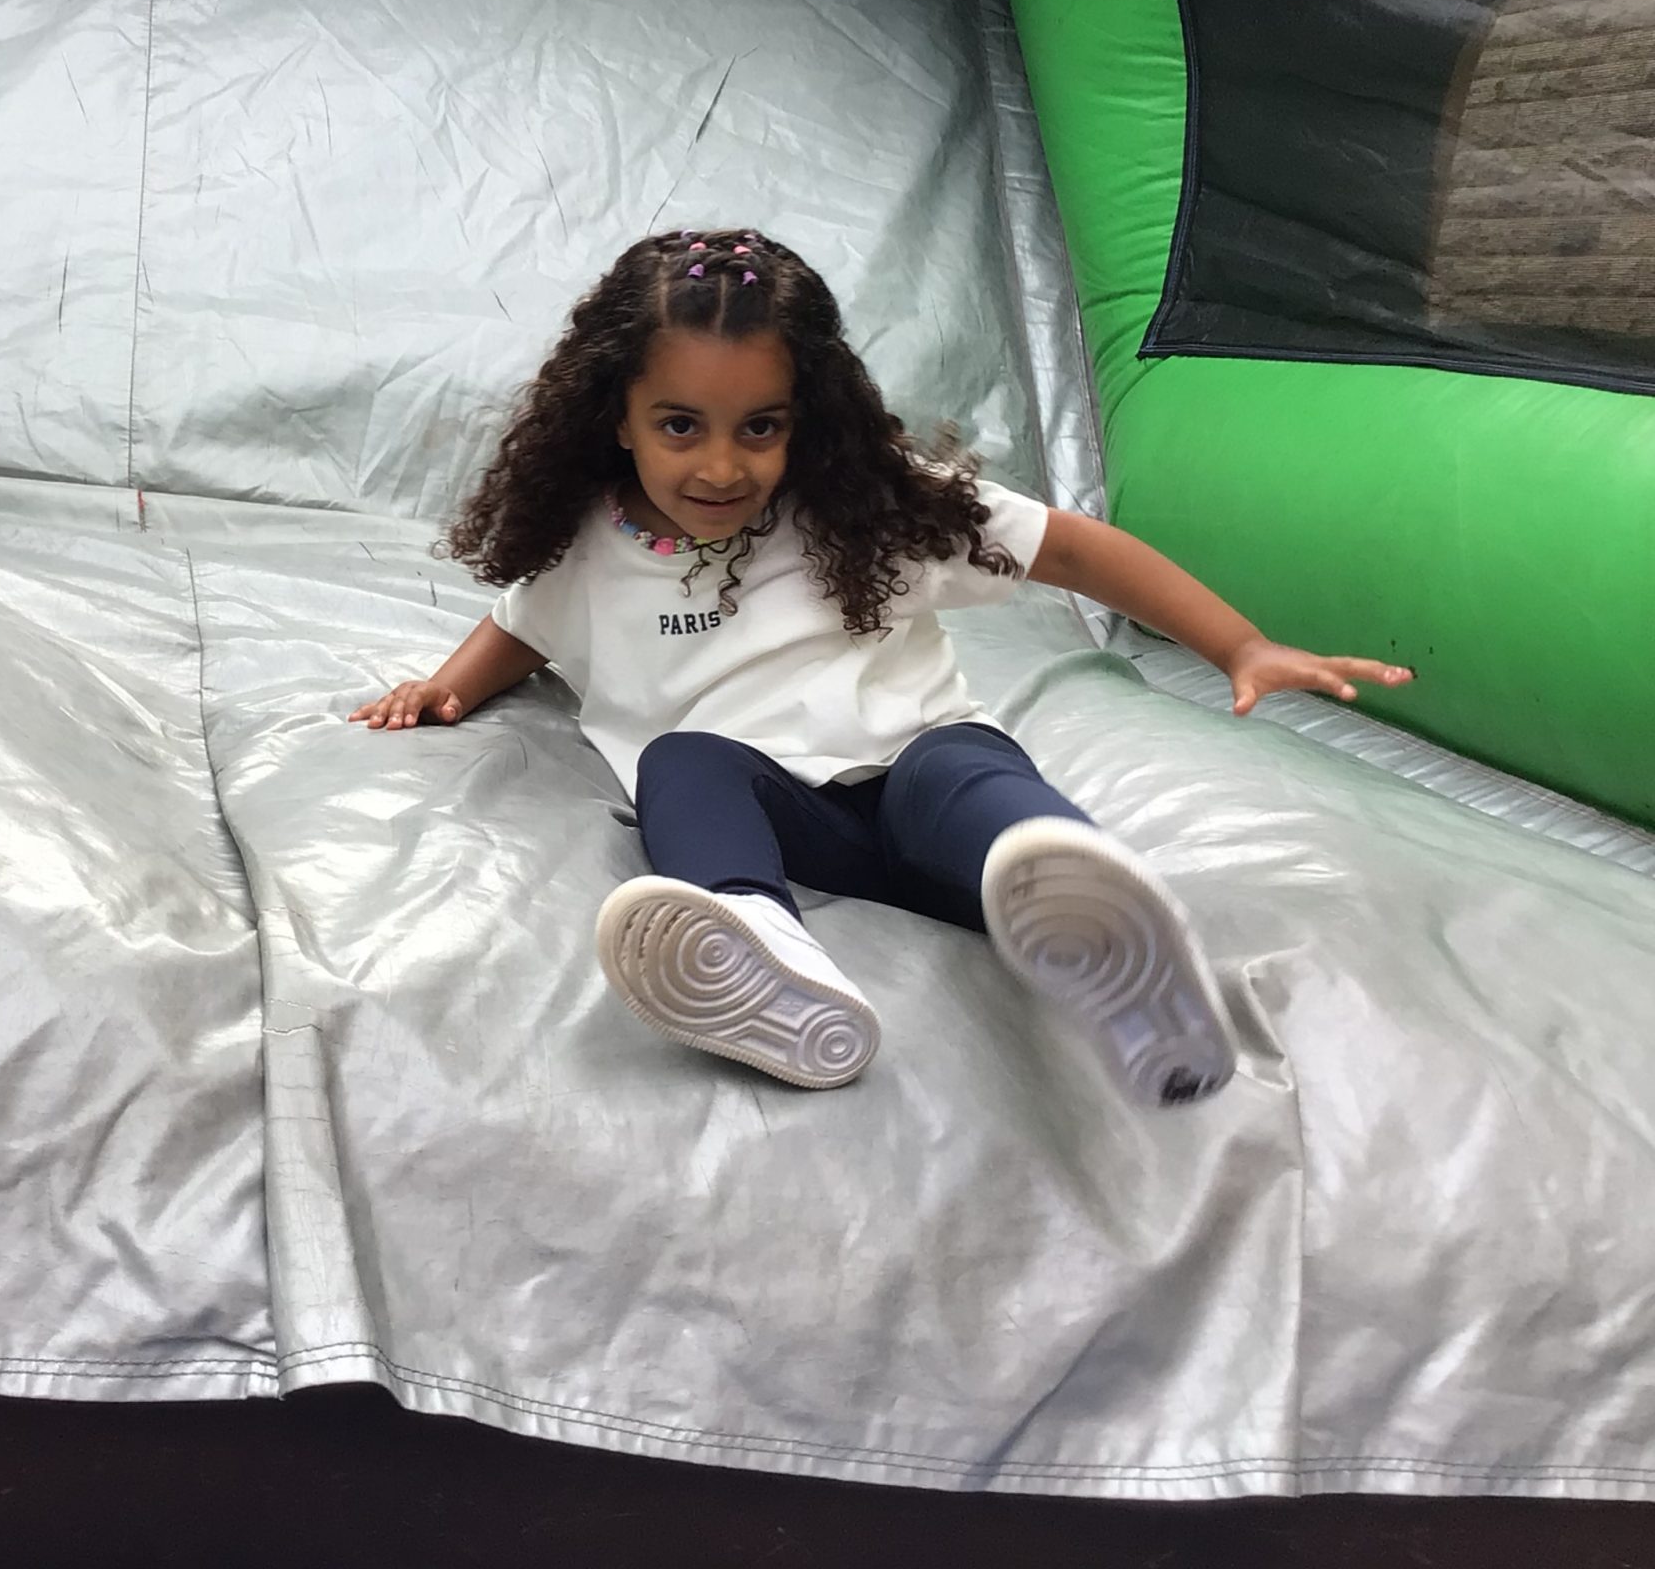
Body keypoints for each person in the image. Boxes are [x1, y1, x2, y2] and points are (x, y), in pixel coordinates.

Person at [352, 229, 1410, 1107]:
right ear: (615, 418)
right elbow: (525, 626)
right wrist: (449, 688)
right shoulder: (590, 540)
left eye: (760, 428)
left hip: (923, 797)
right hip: (787, 829)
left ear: (805, 417)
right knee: (682, 762)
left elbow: (1073, 550)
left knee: (963, 769)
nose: (720, 464)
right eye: (680, 425)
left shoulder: (870, 504)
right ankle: (761, 947)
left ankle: (1097, 926)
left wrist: (1239, 645)